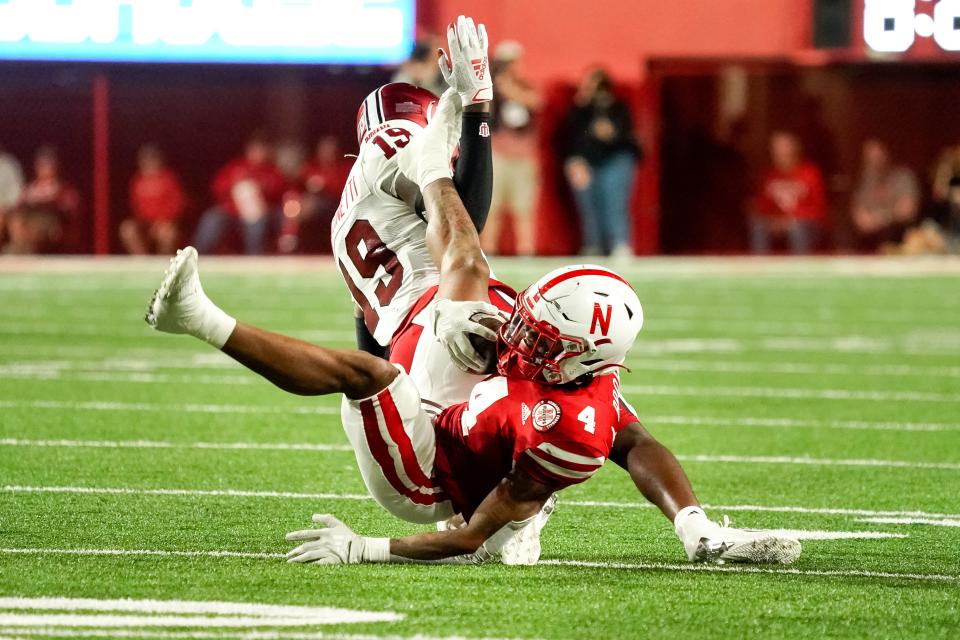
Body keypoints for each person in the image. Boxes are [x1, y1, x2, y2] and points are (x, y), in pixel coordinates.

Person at [146, 20, 800, 567]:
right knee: (459, 290)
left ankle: (564, 510)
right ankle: (513, 507)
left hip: (415, 329)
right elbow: (461, 210)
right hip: (423, 403)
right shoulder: (398, 151)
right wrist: (471, 112)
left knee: (513, 344)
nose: (528, 334)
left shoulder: (359, 205)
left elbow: (393, 302)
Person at [561, 68, 641, 258]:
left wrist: (610, 133)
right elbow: (569, 139)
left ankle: (620, 243)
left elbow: (626, 135)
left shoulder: (618, 107)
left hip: (615, 159)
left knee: (614, 202)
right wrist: (574, 161)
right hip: (585, 162)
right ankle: (593, 245)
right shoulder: (579, 110)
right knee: (589, 206)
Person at [482, 40, 543, 256]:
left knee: (523, 206)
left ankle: (526, 250)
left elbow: (536, 102)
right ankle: (489, 249)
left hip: (523, 156)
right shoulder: (489, 90)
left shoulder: (524, 86)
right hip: (498, 154)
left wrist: (508, 88)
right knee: (492, 206)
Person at [193, 134, 285, 255]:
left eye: (260, 150)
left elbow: (280, 193)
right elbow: (217, 187)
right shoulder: (236, 167)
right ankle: (198, 256)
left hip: (259, 215)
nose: (257, 153)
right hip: (233, 213)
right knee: (212, 217)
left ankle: (254, 261)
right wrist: (234, 184)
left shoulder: (272, 171)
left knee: (256, 224)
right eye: (254, 149)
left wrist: (261, 190)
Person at [750, 131, 826, 255]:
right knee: (758, 224)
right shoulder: (768, 176)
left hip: (807, 224)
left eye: (783, 147)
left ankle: (800, 268)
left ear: (794, 149)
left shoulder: (810, 173)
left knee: (797, 228)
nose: (779, 152)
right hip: (777, 222)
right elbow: (763, 206)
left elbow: (818, 208)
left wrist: (792, 219)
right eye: (775, 148)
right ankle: (760, 266)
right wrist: (774, 220)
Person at [6, 146, 81, 254]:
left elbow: (71, 214)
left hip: (53, 228)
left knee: (41, 224)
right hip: (29, 226)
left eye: (49, 164)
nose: (45, 168)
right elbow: (18, 208)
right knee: (17, 220)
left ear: (56, 166)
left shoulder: (65, 190)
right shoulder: (30, 189)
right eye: (42, 164)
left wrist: (49, 204)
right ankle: (20, 251)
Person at [850, 139, 919, 253]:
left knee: (889, 233)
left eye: (878, 156)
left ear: (887, 154)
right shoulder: (865, 180)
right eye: (870, 157)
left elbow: (907, 211)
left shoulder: (904, 177)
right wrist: (867, 221)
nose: (874, 161)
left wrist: (880, 220)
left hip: (896, 231)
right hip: (869, 234)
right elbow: (859, 215)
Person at [119, 144, 187, 255]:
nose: (148, 163)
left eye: (152, 159)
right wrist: (147, 223)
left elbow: (178, 205)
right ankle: (143, 262)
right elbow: (135, 207)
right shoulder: (137, 181)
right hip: (145, 224)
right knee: (127, 229)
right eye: (145, 160)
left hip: (165, 223)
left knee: (168, 234)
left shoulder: (169, 179)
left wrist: (162, 221)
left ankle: (162, 264)